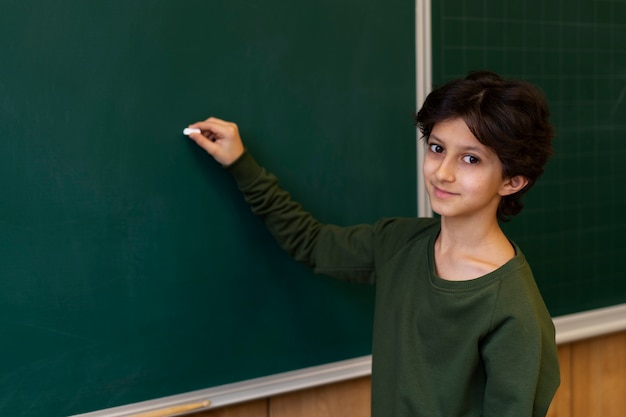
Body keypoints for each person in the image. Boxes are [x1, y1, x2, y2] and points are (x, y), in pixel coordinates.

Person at [185, 71, 560, 417]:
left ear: (512, 181)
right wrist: (240, 163)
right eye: (436, 148)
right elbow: (311, 242)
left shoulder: (513, 310)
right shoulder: (398, 243)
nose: (443, 172)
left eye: (471, 159)